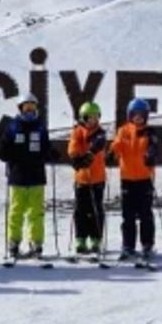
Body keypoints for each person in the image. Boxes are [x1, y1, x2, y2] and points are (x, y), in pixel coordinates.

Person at [0, 92, 53, 260]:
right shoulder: (12, 127)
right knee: (16, 212)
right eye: (26, 107)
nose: (29, 110)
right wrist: (10, 153)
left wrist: (51, 153)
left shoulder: (40, 126)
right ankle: (14, 242)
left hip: (36, 176)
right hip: (18, 177)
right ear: (20, 109)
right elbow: (3, 150)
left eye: (32, 107)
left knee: (36, 212)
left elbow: (45, 147)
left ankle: (36, 243)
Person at [111, 98, 158, 262]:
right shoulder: (123, 130)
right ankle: (128, 245)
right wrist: (112, 152)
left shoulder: (149, 132)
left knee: (146, 213)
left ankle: (147, 244)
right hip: (127, 179)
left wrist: (151, 155)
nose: (138, 118)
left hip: (145, 178)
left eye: (141, 115)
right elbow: (117, 145)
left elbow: (154, 146)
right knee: (128, 215)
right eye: (135, 115)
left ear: (146, 116)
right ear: (129, 115)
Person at [69, 101, 108, 256]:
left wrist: (89, 153)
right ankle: (80, 238)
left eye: (95, 117)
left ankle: (96, 238)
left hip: (97, 177)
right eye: (89, 118)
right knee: (81, 210)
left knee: (96, 209)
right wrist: (76, 157)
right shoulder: (77, 131)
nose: (92, 121)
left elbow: (99, 143)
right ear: (82, 118)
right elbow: (73, 145)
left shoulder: (100, 132)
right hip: (82, 179)